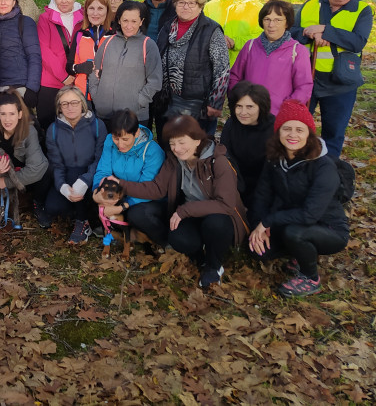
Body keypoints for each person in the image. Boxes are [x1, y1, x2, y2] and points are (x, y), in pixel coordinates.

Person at [98, 114, 246, 288]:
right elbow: (156, 188)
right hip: (191, 215)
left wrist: (184, 211)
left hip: (219, 215)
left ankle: (213, 267)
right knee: (177, 237)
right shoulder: (174, 160)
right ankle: (199, 258)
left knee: (215, 223)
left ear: (197, 140)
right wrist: (121, 184)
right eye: (172, 143)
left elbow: (226, 204)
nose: (177, 148)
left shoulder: (218, 162)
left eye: (182, 142)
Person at [248, 99, 349, 297]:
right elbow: (261, 195)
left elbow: (310, 215)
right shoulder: (275, 159)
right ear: (278, 132)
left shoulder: (323, 166)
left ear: (309, 134)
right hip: (289, 219)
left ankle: (310, 277)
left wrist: (268, 221)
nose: (292, 135)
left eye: (299, 130)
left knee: (296, 233)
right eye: (287, 128)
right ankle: (299, 253)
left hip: (328, 228)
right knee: (258, 252)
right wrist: (257, 227)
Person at [294, 0, 373, 159]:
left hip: (341, 83)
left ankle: (327, 176)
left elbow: (357, 41)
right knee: (297, 128)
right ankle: (296, 170)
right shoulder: (310, 5)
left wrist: (325, 30)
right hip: (307, 79)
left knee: (334, 134)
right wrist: (309, 33)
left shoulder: (363, 10)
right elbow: (291, 34)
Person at [156, 0, 229, 136]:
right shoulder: (167, 27)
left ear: (200, 6)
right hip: (167, 100)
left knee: (193, 148)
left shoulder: (211, 30)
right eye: (181, 2)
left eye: (192, 3)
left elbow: (222, 70)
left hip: (196, 104)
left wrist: (215, 103)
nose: (186, 7)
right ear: (175, 4)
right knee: (169, 143)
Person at [0, 90, 50, 227]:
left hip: (21, 174)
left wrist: (7, 182)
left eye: (12, 114)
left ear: (20, 114)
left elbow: (37, 167)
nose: (7, 119)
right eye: (3, 114)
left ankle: (37, 203)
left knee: (46, 173)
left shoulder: (29, 131)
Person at [91, 109, 165, 247]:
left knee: (136, 214)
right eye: (116, 138)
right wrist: (96, 193)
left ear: (136, 133)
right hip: (120, 192)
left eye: (125, 139)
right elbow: (103, 171)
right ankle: (117, 230)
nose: (120, 144)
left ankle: (161, 239)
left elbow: (147, 188)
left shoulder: (152, 151)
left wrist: (122, 207)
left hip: (147, 198)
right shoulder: (109, 141)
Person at [44, 86, 107, 244]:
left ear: (82, 104)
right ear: (59, 107)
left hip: (93, 175)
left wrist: (85, 180)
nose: (70, 107)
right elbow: (56, 165)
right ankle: (83, 210)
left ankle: (82, 221)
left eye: (74, 102)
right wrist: (63, 187)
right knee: (52, 207)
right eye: (64, 104)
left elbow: (101, 158)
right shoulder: (53, 130)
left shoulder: (98, 126)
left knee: (78, 175)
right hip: (68, 176)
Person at [229, 0, 313, 115]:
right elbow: (234, 77)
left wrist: (287, 108)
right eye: (267, 19)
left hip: (277, 116)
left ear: (287, 22)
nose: (271, 25)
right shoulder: (250, 46)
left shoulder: (297, 51)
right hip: (248, 114)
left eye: (278, 20)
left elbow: (304, 86)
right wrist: (239, 100)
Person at [88, 1, 162, 126]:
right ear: (119, 20)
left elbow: (155, 81)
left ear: (141, 21)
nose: (129, 26)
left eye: (134, 21)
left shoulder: (148, 45)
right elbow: (94, 71)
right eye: (125, 20)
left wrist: (138, 102)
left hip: (133, 117)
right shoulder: (108, 42)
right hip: (104, 114)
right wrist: (97, 97)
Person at [36, 0, 83, 130]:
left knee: (73, 124)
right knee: (48, 123)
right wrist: (63, 76)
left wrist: (74, 74)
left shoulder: (84, 17)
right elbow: (44, 50)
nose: (64, 1)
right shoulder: (45, 19)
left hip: (76, 79)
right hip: (51, 81)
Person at [220, 81, 275, 208]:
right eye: (239, 106)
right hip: (236, 182)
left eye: (250, 107)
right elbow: (226, 155)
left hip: (264, 185)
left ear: (261, 107)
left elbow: (272, 166)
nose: (243, 112)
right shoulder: (231, 124)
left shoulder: (274, 127)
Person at [0, 0, 40, 116]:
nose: (3, 2)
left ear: (14, 2)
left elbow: (34, 56)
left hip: (19, 87)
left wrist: (32, 88)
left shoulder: (25, 22)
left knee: (21, 131)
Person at [204, 0, 264, 65]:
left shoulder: (259, 8)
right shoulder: (210, 6)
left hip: (243, 66)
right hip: (210, 65)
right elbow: (201, 32)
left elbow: (261, 36)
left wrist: (234, 42)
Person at [71, 0, 113, 98]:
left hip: (108, 95)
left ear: (107, 10)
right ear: (86, 11)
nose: (95, 13)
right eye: (91, 8)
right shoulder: (79, 35)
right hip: (83, 96)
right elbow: (69, 66)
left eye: (100, 8)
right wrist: (80, 68)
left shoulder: (115, 35)